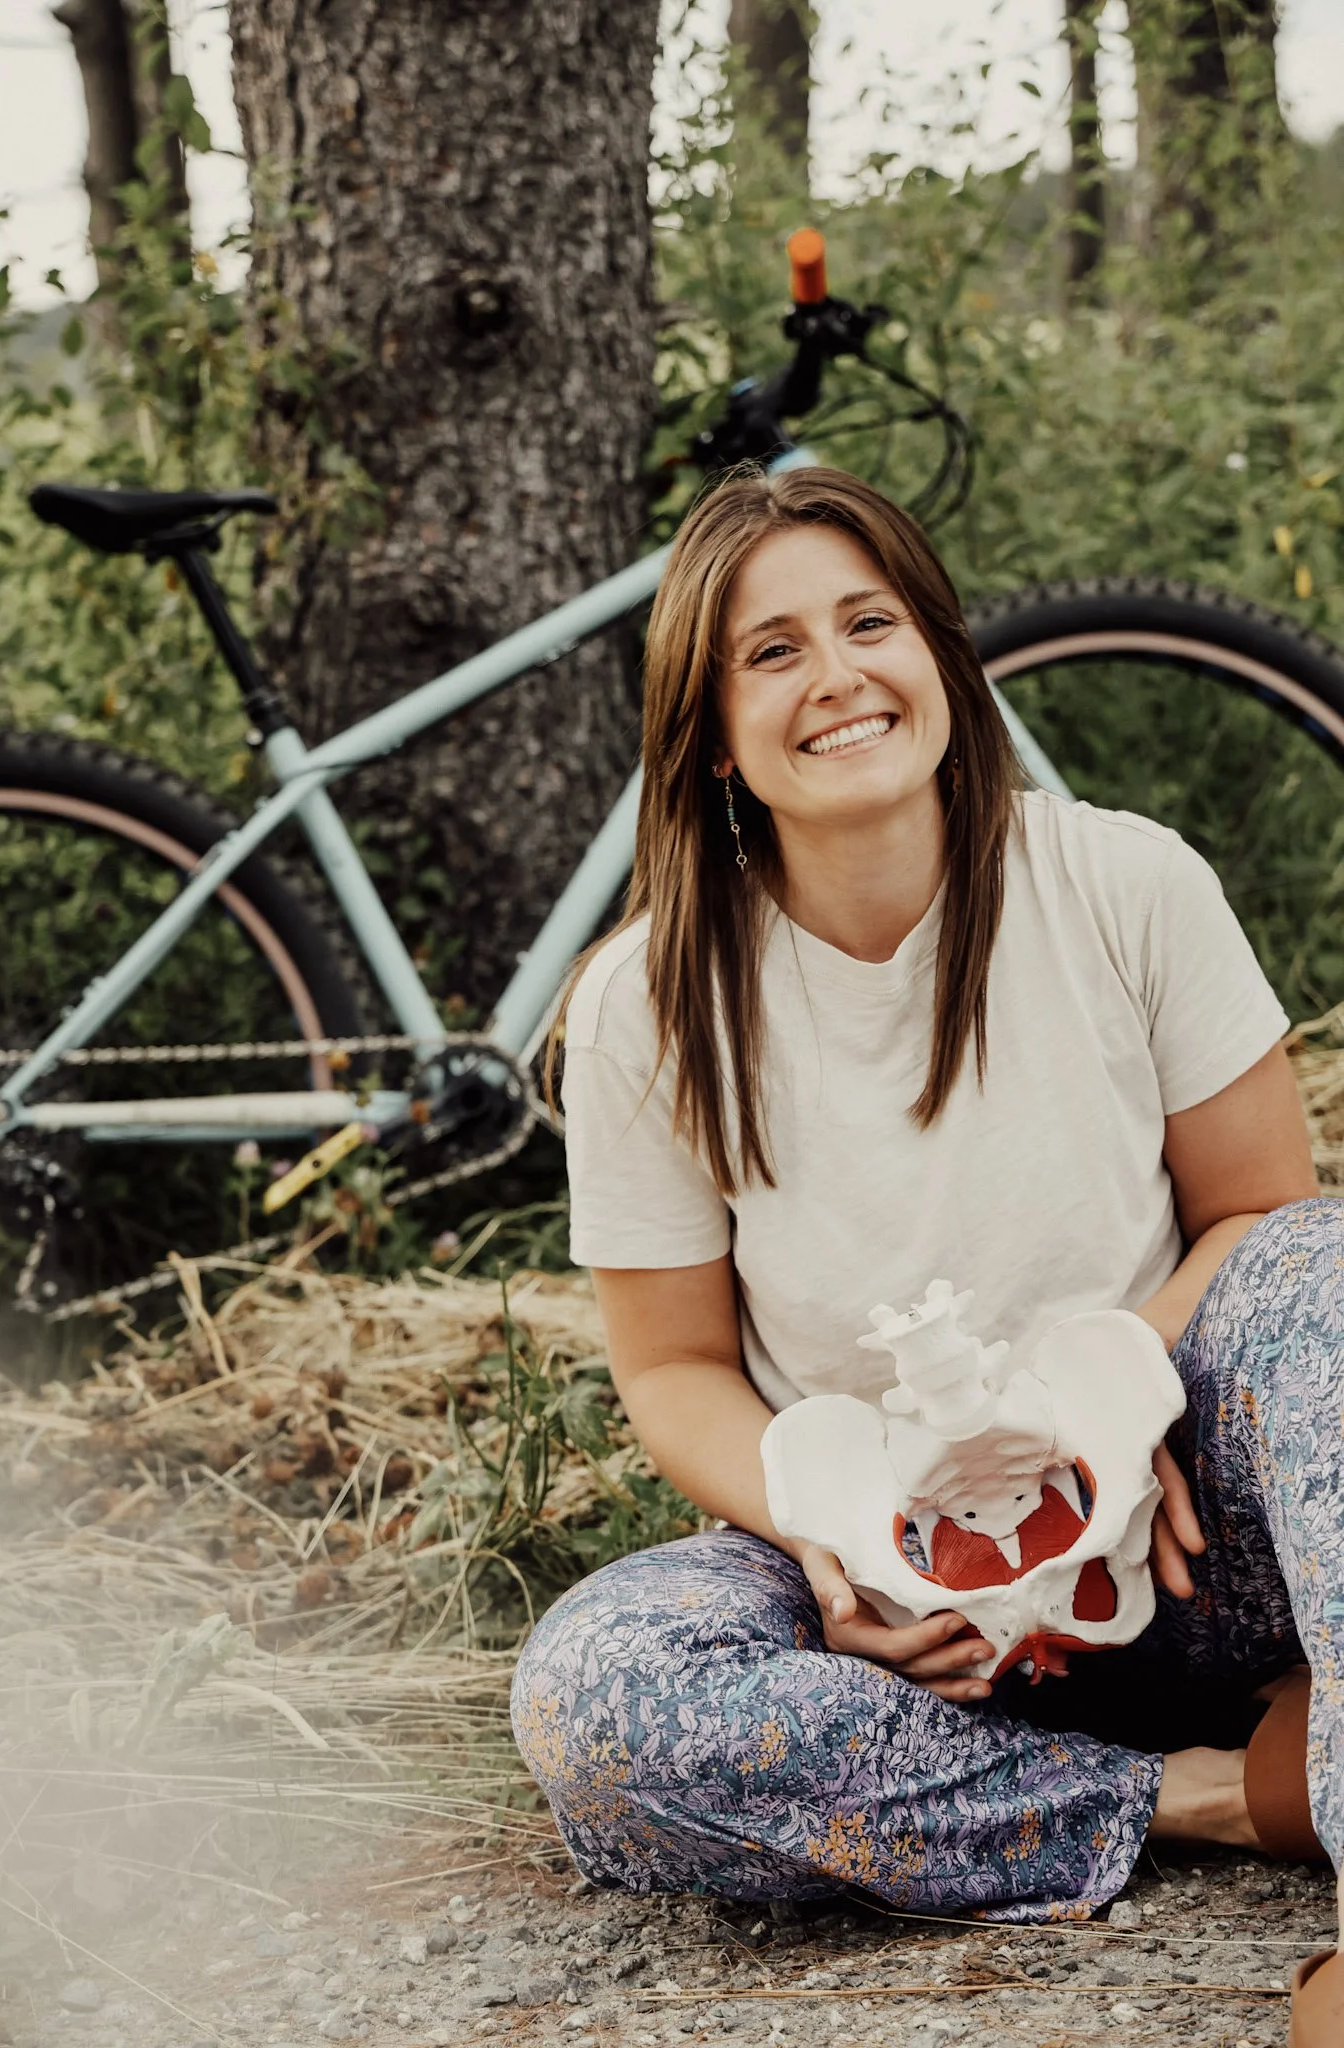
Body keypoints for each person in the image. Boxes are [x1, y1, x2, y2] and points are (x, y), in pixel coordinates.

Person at [509, 467, 1342, 2044]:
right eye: (771, 653)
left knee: (1338, 1283)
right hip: (898, 1630)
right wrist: (840, 1539)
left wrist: (1124, 1416)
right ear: (706, 730)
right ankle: (1204, 1794)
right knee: (591, 1693)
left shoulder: (1120, 879)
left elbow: (1267, 1228)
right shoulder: (645, 1005)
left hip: (1171, 1542)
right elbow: (674, 1368)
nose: (836, 678)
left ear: (942, 655)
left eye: (869, 621)